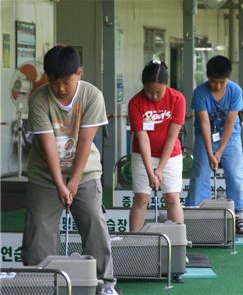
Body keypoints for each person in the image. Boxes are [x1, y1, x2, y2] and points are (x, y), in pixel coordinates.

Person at [21, 45, 117, 295]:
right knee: (39, 230)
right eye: (54, 82)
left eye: (66, 81)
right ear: (46, 77)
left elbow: (85, 141)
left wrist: (73, 182)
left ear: (79, 73)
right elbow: (48, 145)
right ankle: (39, 283)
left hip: (84, 172)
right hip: (44, 175)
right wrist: (60, 183)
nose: (60, 88)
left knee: (95, 222)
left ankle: (104, 284)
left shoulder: (92, 96)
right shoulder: (39, 99)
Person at [185, 55, 243, 233]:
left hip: (231, 137)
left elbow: (231, 122)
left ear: (227, 78)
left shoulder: (235, 91)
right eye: (214, 81)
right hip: (205, 137)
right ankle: (197, 214)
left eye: (222, 82)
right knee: (200, 174)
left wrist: (220, 151)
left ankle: (239, 215)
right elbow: (204, 123)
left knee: (235, 174)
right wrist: (209, 152)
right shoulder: (199, 93)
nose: (218, 86)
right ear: (208, 77)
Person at [128, 60, 185, 232]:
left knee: (172, 198)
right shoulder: (135, 103)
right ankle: (134, 243)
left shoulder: (177, 99)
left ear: (166, 85)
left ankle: (178, 245)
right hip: (142, 155)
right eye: (149, 91)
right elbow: (142, 138)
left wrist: (159, 170)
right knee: (141, 199)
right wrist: (149, 170)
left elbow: (171, 136)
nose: (153, 96)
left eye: (158, 92)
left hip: (170, 155)